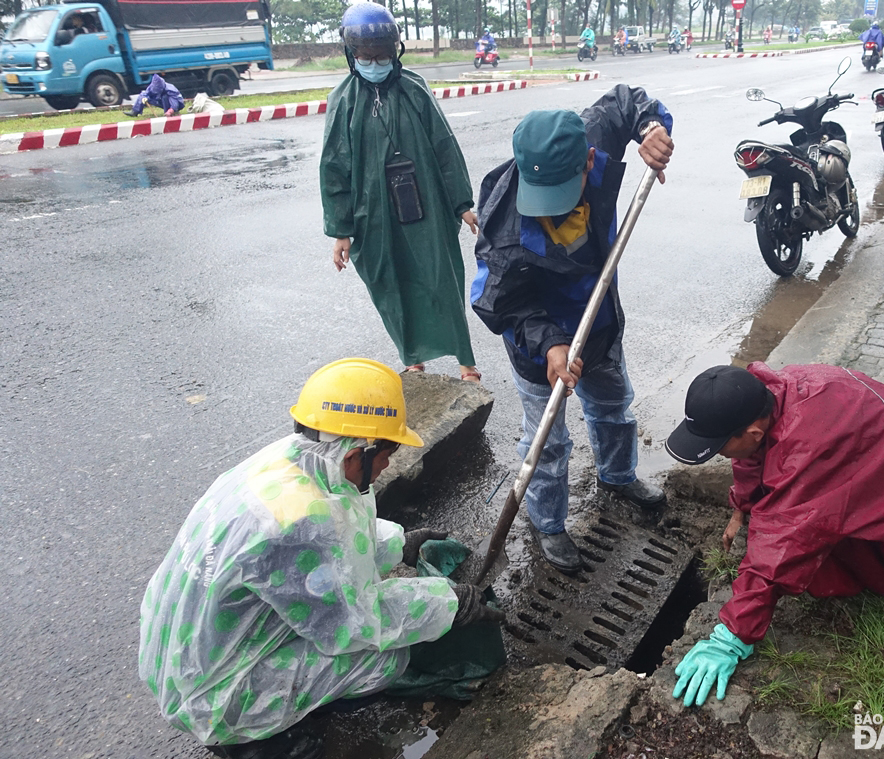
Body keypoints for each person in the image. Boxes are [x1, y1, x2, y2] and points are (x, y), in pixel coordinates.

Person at [138, 358, 505, 758]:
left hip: (180, 657)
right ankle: (254, 740)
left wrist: (399, 543)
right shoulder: (300, 525)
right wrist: (449, 603)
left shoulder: (284, 462)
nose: (388, 465)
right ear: (355, 455)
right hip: (216, 697)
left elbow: (337, 541)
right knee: (385, 658)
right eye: (388, 452)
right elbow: (357, 622)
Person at [665, 363, 884, 707]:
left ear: (753, 432)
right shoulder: (768, 395)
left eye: (719, 446)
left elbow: (781, 548)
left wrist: (730, 637)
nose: (718, 453)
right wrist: (742, 508)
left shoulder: (807, 448)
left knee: (813, 547)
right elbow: (751, 458)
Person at [470, 88, 674, 574]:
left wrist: (651, 129)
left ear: (587, 160)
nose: (552, 209)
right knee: (548, 440)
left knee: (613, 405)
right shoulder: (504, 224)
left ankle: (618, 475)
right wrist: (551, 344)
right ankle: (547, 522)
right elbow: (501, 302)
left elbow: (627, 102)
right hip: (539, 344)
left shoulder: (591, 136)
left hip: (599, 317)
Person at [320, 2, 482, 383]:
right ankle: (412, 357)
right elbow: (333, 169)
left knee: (441, 278)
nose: (374, 62)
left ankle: (466, 362)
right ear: (352, 55)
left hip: (425, 209)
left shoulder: (414, 89)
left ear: (396, 52)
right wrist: (341, 231)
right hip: (372, 218)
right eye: (366, 55)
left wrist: (462, 203)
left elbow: (444, 147)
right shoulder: (342, 101)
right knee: (390, 285)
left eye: (383, 55)